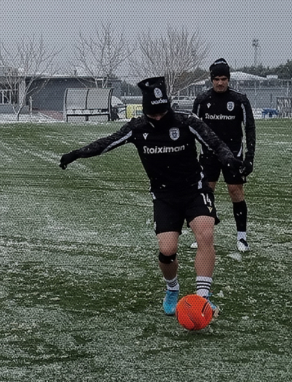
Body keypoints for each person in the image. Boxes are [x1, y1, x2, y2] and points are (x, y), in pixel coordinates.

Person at [59, 76, 242, 318]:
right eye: (152, 114)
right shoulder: (137, 128)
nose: (158, 118)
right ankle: (172, 288)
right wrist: (76, 154)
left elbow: (215, 142)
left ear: (168, 106)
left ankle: (202, 298)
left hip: (194, 189)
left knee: (206, 233)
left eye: (162, 112)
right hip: (164, 195)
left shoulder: (186, 122)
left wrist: (229, 159)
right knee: (167, 251)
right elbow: (108, 142)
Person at [191, 58, 256, 252]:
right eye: (217, 79)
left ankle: (242, 238)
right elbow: (192, 129)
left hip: (233, 155)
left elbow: (250, 128)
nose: (220, 83)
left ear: (229, 79)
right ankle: (203, 236)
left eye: (224, 78)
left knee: (235, 193)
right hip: (208, 156)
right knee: (205, 195)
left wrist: (249, 157)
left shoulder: (239, 100)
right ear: (211, 80)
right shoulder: (202, 100)